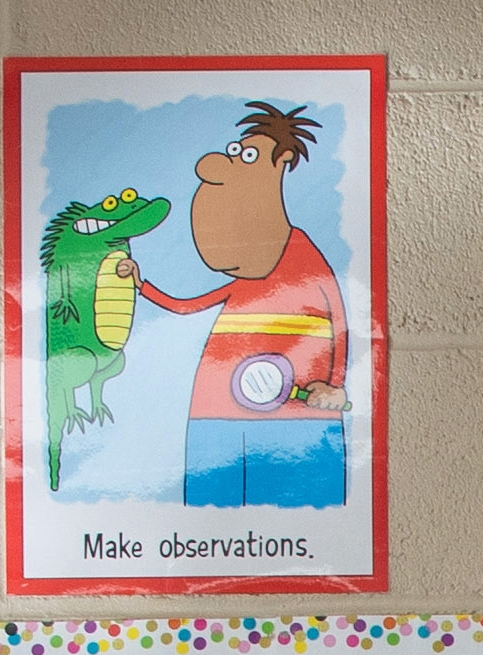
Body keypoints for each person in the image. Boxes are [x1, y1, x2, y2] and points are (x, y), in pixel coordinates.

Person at [132, 100, 352, 512]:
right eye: (236, 152)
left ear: (281, 161)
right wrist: (141, 285)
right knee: (211, 514)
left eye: (247, 155)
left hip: (298, 422)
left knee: (307, 517)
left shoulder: (304, 260)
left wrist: (335, 384)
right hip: (215, 416)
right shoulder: (247, 279)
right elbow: (187, 306)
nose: (219, 166)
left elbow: (336, 321)